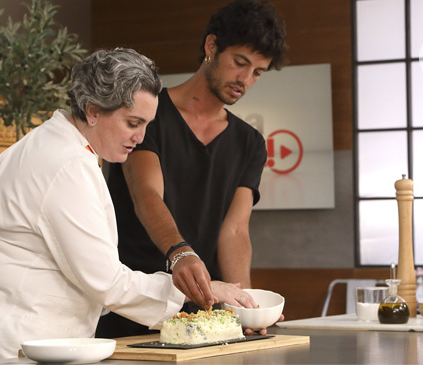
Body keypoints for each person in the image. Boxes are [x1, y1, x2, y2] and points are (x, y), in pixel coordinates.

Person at [0, 48, 255, 364]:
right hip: (10, 343)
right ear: (92, 110)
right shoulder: (67, 164)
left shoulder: (31, 148)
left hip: (3, 338)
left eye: (146, 124)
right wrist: (198, 288)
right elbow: (106, 282)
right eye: (133, 123)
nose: (140, 137)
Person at [96, 0, 288, 339]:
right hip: (135, 300)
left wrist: (246, 307)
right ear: (211, 46)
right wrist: (180, 253)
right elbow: (147, 195)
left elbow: (235, 232)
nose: (244, 79)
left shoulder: (250, 142)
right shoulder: (150, 115)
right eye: (239, 63)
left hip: (205, 309)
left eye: (257, 72)